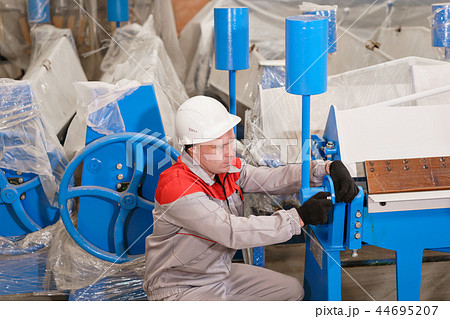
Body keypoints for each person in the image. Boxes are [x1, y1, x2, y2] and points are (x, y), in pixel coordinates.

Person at [143, 96, 358, 301]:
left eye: (230, 142)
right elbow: (231, 231)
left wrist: (324, 169)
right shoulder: (177, 187)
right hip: (178, 287)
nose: (229, 153)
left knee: (291, 291)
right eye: (218, 147)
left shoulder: (224, 169)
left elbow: (271, 177)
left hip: (216, 273)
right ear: (192, 150)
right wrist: (298, 217)